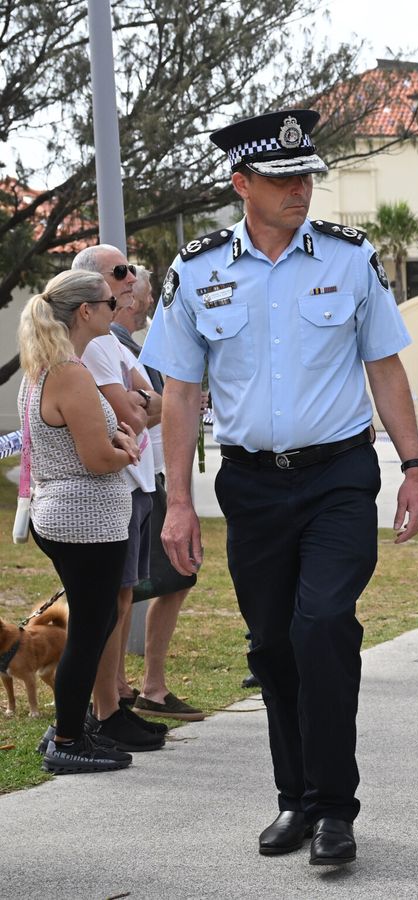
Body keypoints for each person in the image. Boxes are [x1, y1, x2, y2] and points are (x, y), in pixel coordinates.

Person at [140, 109, 418, 866]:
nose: (301, 189)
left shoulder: (348, 258)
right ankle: (295, 798)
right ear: (243, 184)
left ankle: (336, 809)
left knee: (323, 626)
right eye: (283, 178)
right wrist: (177, 501)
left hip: (338, 475)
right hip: (251, 486)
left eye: (306, 176)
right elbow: (178, 391)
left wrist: (414, 466)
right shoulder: (197, 271)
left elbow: (385, 366)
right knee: (272, 643)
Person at [16, 269, 143, 773]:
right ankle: (68, 738)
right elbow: (96, 458)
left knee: (97, 621)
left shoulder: (44, 368)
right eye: (111, 302)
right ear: (86, 312)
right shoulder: (69, 372)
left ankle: (70, 723)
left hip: (65, 513)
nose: (119, 309)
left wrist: (114, 446)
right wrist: (127, 449)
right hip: (84, 519)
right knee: (91, 628)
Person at [72, 246, 168, 753]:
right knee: (109, 602)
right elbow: (136, 415)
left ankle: (111, 703)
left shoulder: (113, 342)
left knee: (121, 598)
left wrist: (146, 403)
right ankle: (104, 710)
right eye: (121, 272)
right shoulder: (93, 344)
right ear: (91, 290)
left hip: (134, 484)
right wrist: (145, 404)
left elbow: (155, 403)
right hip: (112, 489)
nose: (131, 278)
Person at [114, 268, 205, 719]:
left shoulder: (139, 345)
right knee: (133, 585)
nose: (146, 301)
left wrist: (168, 404)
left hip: (152, 478)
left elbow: (156, 404)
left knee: (167, 579)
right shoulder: (107, 345)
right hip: (134, 482)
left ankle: (138, 687)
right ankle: (133, 689)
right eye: (143, 294)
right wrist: (172, 405)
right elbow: (137, 413)